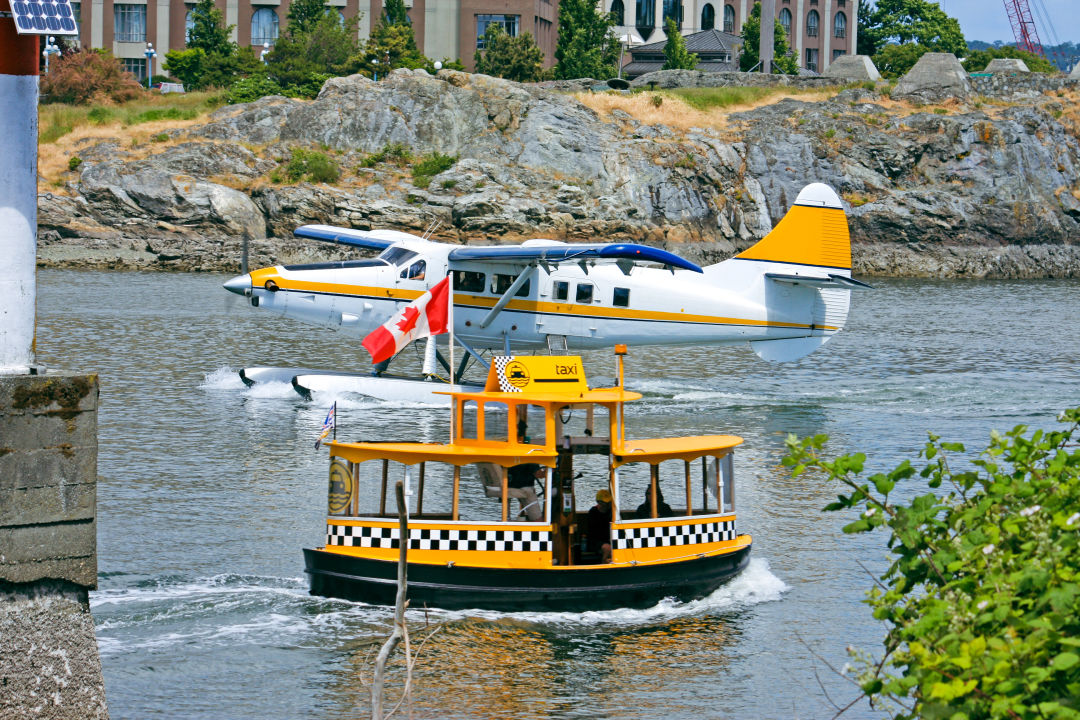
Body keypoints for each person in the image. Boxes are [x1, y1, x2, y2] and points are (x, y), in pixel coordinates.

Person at [586, 489, 613, 563]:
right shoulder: (593, 512)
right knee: (607, 548)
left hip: (609, 540)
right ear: (598, 502)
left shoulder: (611, 512)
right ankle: (604, 562)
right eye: (604, 502)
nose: (606, 505)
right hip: (595, 541)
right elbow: (592, 533)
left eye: (608, 502)